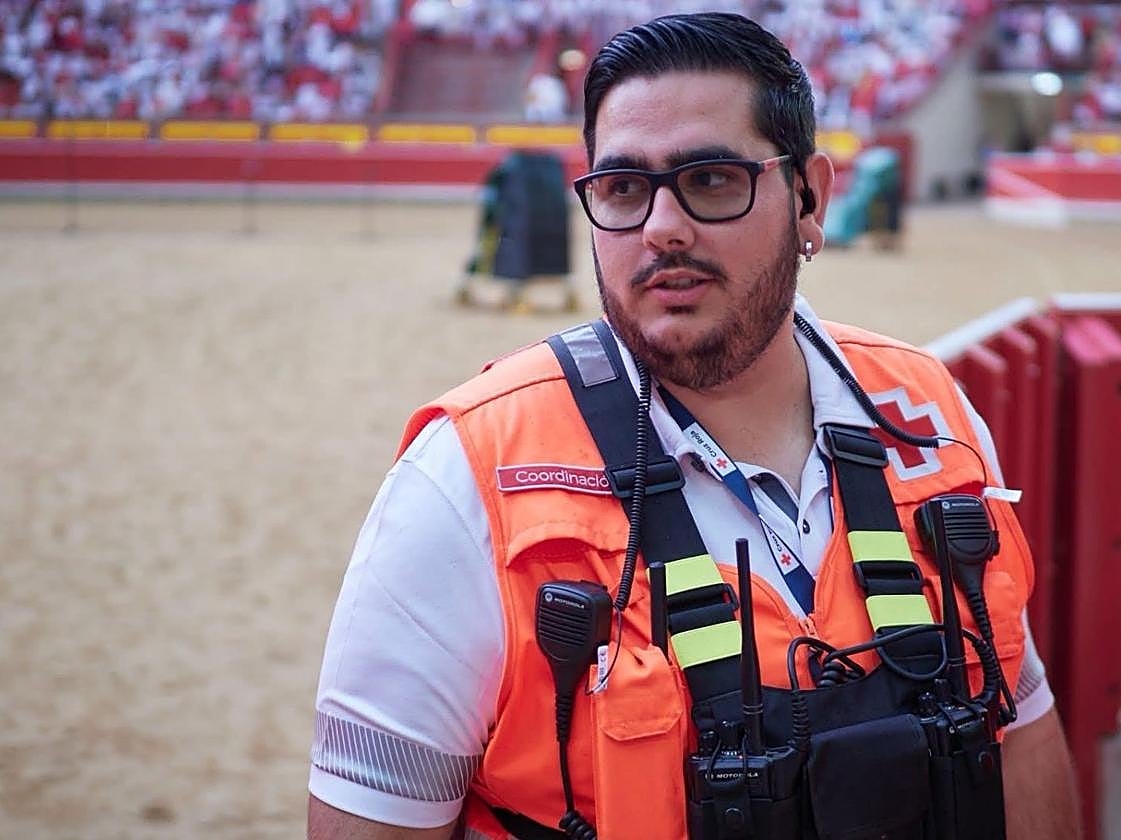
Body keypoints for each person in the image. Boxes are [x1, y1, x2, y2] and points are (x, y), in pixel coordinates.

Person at [308, 13, 1080, 840]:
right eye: (623, 188)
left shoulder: (929, 414)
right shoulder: (465, 478)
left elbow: (1020, 727)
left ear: (810, 196)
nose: (661, 228)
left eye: (711, 179)